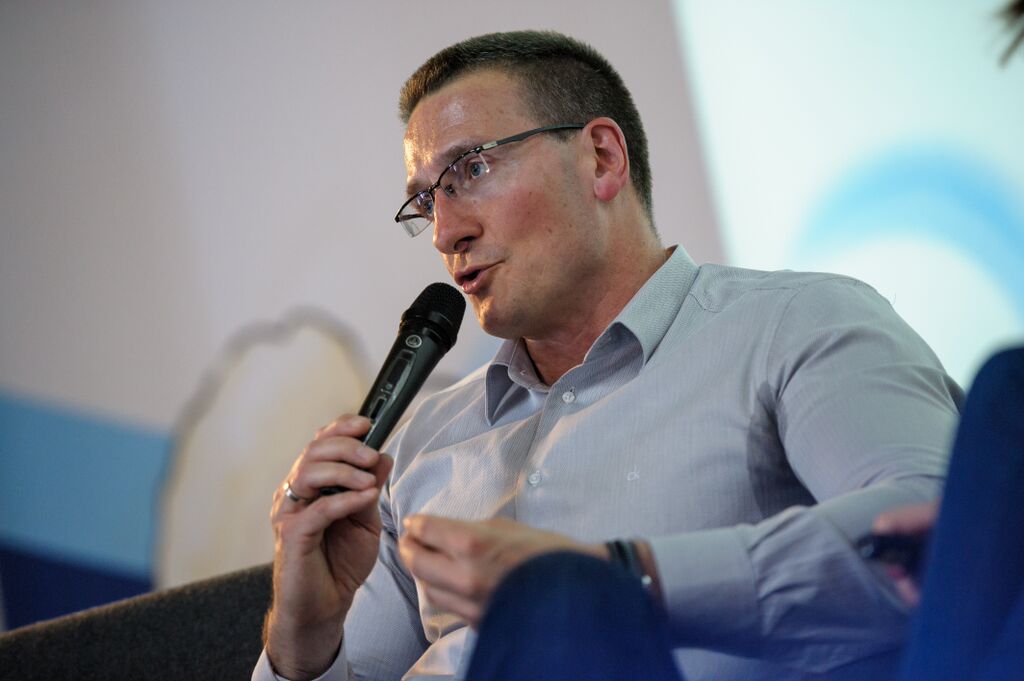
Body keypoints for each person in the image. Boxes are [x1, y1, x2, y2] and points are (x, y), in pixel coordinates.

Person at [254, 31, 961, 681]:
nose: (445, 232)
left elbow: (940, 535)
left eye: (472, 167)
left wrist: (615, 579)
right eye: (425, 201)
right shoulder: (415, 449)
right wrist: (301, 636)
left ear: (601, 158)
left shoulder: (796, 324)